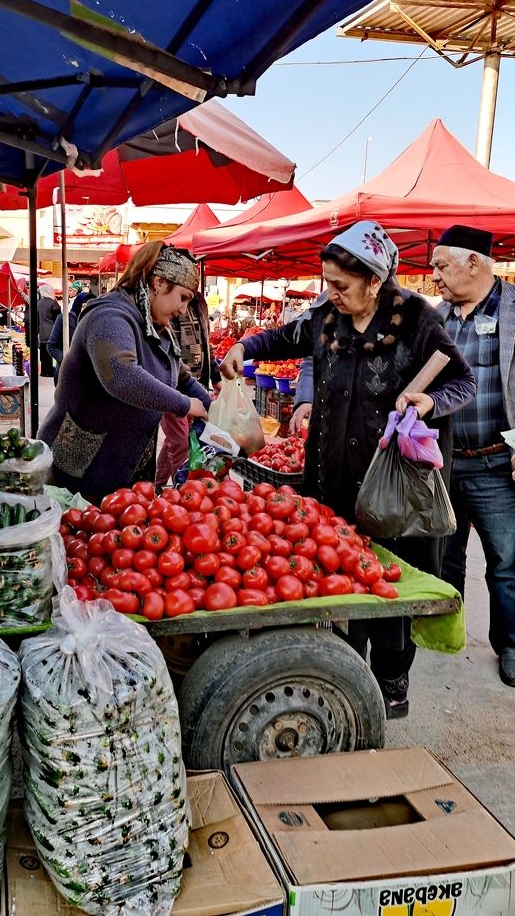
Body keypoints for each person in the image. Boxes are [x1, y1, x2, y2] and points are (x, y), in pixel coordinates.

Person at [221, 221, 476, 718]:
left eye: (340, 284)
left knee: (390, 588)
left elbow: (461, 381)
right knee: (340, 580)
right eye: (327, 283)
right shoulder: (326, 318)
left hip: (392, 486)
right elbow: (283, 338)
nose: (331, 293)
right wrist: (244, 347)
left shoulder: (417, 320)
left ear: (375, 281)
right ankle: (346, 676)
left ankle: (392, 681)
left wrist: (429, 402)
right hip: (332, 478)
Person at [431, 225, 515, 688]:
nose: (434, 275)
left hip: (501, 464)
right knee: (446, 556)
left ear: (473, 262)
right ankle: (447, 629)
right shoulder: (438, 317)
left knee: (504, 563)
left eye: (441, 265)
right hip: (446, 461)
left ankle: (511, 645)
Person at [40, 241, 211, 500]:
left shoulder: (155, 328)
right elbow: (121, 376)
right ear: (158, 283)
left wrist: (216, 411)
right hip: (83, 466)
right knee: (78, 522)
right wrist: (184, 405)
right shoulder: (108, 316)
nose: (183, 310)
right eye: (183, 297)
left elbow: (182, 378)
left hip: (126, 469)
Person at [156, 290, 221, 486]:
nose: (183, 306)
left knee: (177, 440)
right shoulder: (168, 302)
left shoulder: (199, 303)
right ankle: (184, 489)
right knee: (180, 443)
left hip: (196, 386)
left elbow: (207, 343)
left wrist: (216, 377)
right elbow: (164, 348)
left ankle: (158, 483)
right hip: (172, 387)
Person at [46, 291, 97, 384]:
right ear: (78, 306)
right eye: (84, 306)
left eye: (91, 306)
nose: (87, 309)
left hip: (89, 377)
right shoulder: (63, 320)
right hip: (67, 374)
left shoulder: (97, 323)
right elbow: (51, 346)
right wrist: (66, 358)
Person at [25, 284, 60, 378]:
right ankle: (50, 370)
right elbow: (58, 318)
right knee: (51, 351)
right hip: (52, 330)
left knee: (43, 352)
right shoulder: (53, 303)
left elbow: (35, 320)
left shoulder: (38, 303)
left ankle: (44, 371)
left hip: (42, 331)